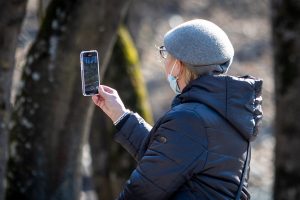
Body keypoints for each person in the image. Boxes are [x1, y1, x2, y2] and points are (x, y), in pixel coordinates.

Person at [92, 19, 263, 200]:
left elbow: (142, 190)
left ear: (179, 65)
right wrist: (120, 115)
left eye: (166, 54)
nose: (164, 61)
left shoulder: (191, 119)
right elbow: (167, 157)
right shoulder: (224, 113)